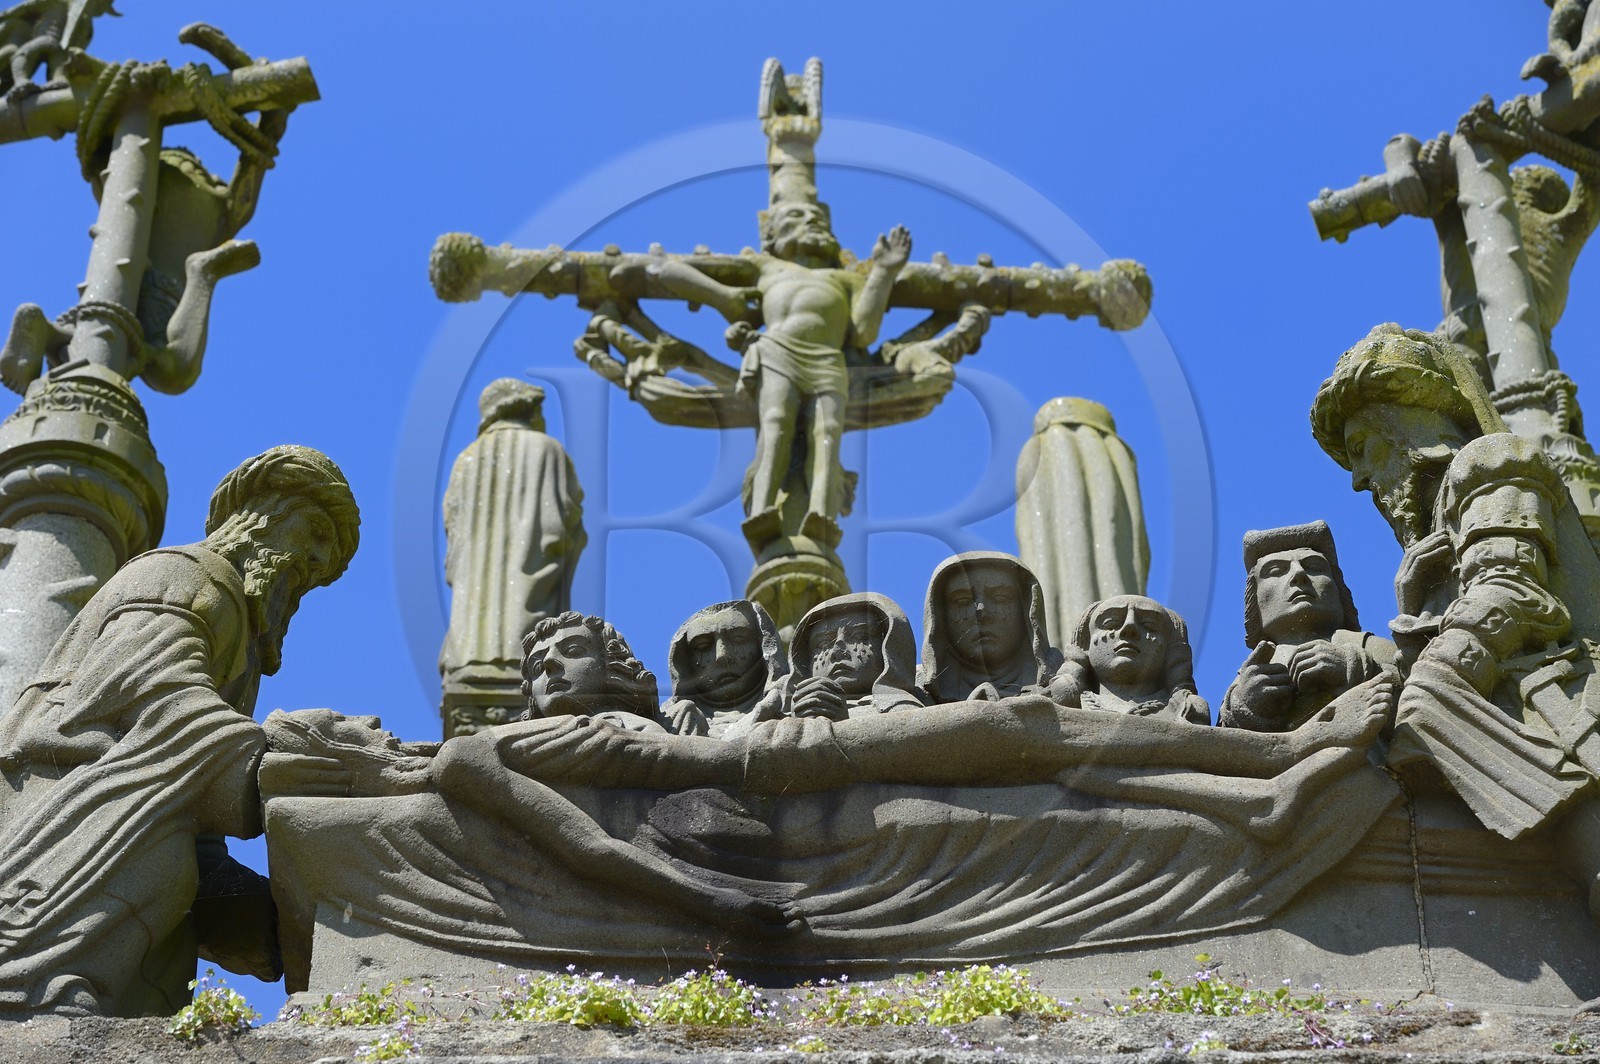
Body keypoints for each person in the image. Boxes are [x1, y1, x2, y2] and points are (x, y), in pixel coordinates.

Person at [0, 445, 359, 1016]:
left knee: (176, 869)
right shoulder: (182, 574)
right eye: (314, 532)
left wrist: (282, 923)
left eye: (329, 561)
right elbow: (150, 697)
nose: (315, 562)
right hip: (61, 829)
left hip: (129, 882)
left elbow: (198, 826)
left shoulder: (238, 637)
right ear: (258, 513)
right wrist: (280, 763)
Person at [1310, 323, 1600, 917]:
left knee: (1426, 705)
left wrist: (1437, 664)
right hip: (1520, 690)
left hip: (1565, 695)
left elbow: (1512, 593)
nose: (1362, 480)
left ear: (1407, 426)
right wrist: (1412, 602)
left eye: (1364, 447)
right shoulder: (1436, 538)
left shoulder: (1490, 461)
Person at [648, 203, 910, 543]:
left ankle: (821, 514)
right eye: (796, 216)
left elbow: (863, 332)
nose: (811, 220)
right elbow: (667, 272)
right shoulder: (764, 266)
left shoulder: (845, 278)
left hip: (827, 360)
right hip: (777, 353)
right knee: (775, 424)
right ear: (772, 234)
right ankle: (761, 512)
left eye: (817, 217)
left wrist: (884, 272)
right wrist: (724, 296)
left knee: (828, 431)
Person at [440, 379, 586, 738]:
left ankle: (474, 663)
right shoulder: (546, 449)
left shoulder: (466, 459)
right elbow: (560, 524)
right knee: (531, 636)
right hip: (530, 575)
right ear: (527, 409)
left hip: (472, 609)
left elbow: (453, 527)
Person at [1219, 521, 1396, 732]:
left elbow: (1420, 697)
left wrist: (1353, 670)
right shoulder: (1249, 675)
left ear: (1339, 592)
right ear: (1253, 601)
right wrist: (1246, 707)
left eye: (1314, 568)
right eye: (1275, 571)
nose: (1298, 574)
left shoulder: (1367, 647)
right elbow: (1222, 748)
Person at [918, 551, 1063, 704]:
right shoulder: (916, 694)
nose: (982, 612)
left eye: (1000, 599)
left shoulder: (1063, 679)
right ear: (940, 616)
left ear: (1027, 609)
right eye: (962, 601)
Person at [1051, 595, 1210, 724]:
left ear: (1171, 652)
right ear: (1085, 645)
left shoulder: (1188, 712)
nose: (1129, 627)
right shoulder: (1054, 709)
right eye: (1111, 622)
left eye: (1150, 625)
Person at [784, 592, 924, 719]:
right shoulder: (781, 722)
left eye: (859, 636)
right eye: (822, 643)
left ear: (889, 646)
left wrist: (842, 725)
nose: (837, 652)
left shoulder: (905, 712)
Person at [660, 599, 786, 737]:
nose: (722, 655)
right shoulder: (666, 723)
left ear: (763, 644)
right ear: (685, 661)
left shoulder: (795, 702)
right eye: (703, 646)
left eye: (738, 639)